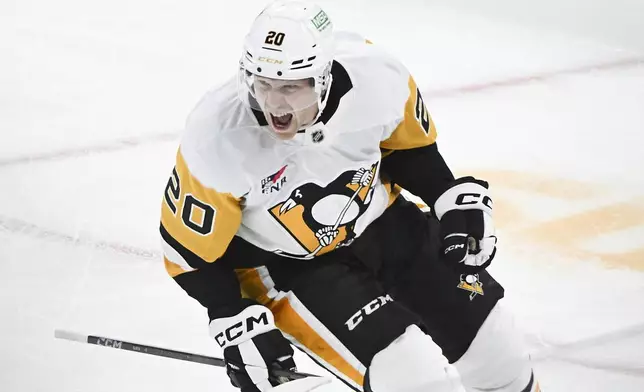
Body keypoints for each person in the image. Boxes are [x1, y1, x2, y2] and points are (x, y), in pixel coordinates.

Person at [159, 1, 540, 391]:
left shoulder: (377, 77)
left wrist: (446, 195)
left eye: (290, 86)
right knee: (414, 379)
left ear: (322, 77)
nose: (274, 104)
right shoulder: (218, 138)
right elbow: (187, 255)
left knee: (501, 357)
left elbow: (408, 148)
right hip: (294, 267)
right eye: (264, 83)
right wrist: (232, 318)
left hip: (385, 224)